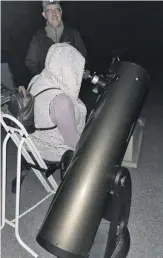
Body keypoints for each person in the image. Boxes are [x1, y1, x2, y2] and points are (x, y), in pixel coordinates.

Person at [28, 43, 87, 162]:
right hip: (51, 151)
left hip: (29, 143)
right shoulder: (61, 101)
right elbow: (72, 142)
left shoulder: (36, 80)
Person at [25, 1, 87, 77]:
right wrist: (44, 75)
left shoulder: (73, 34)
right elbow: (30, 62)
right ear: (44, 15)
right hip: (49, 85)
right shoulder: (38, 38)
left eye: (57, 9)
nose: (54, 13)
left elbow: (83, 59)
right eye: (49, 10)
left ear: (61, 13)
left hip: (71, 84)